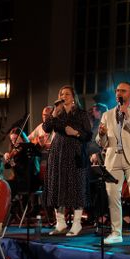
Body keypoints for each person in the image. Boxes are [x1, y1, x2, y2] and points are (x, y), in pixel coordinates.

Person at [96, 81, 130, 247]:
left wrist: (127, 117)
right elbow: (101, 142)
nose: (119, 93)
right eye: (117, 90)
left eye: (123, 91)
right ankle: (116, 233)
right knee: (113, 195)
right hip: (113, 158)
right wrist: (101, 134)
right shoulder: (107, 114)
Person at [43, 85, 93, 236]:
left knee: (76, 186)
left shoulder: (81, 114)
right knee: (57, 185)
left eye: (67, 94)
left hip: (75, 153)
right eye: (61, 94)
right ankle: (60, 223)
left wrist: (76, 133)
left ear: (73, 97)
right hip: (57, 153)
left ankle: (77, 224)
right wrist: (53, 113)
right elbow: (46, 128)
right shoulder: (57, 114)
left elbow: (88, 136)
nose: (63, 96)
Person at [4, 127, 40, 194]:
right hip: (19, 180)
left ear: (22, 138)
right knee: (3, 185)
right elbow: (6, 166)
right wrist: (7, 158)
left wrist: (12, 163)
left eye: (16, 139)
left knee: (5, 186)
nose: (14, 142)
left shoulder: (28, 150)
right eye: (12, 140)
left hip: (29, 181)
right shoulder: (15, 151)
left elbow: (23, 171)